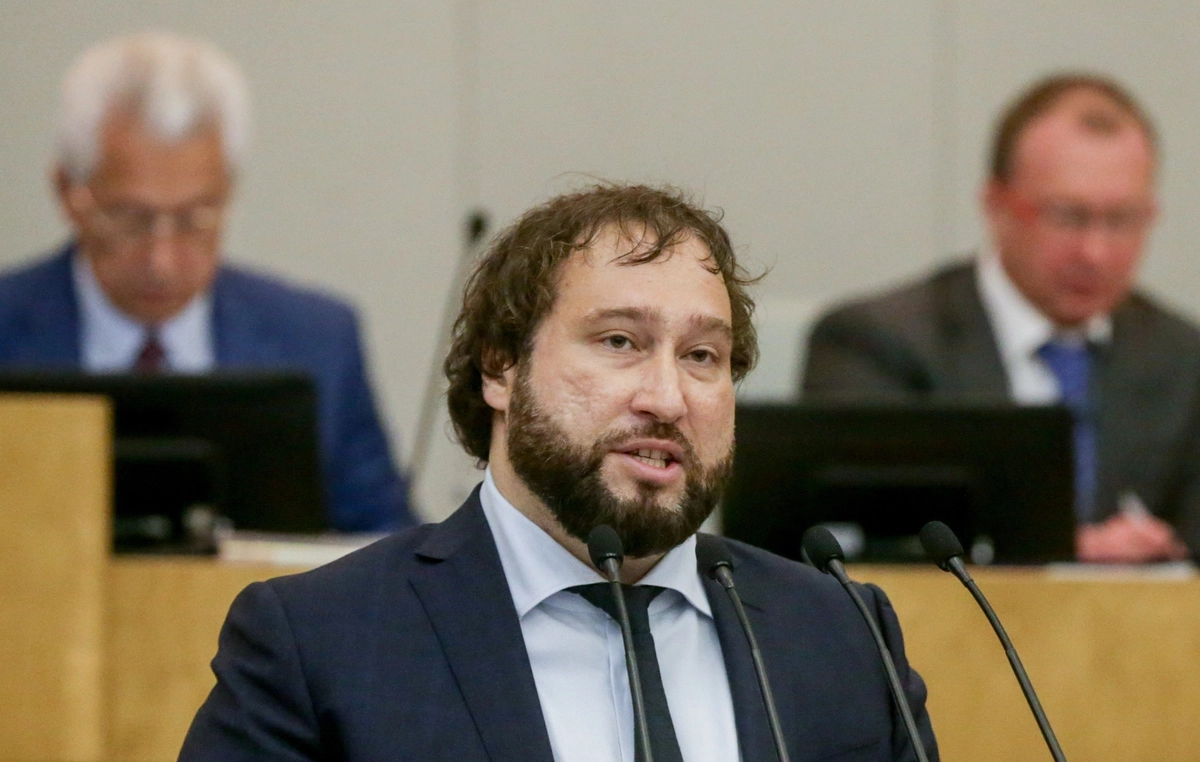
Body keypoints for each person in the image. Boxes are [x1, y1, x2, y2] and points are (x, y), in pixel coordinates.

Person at [179, 184, 938, 760]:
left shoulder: (840, 635)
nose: (667, 397)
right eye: (619, 342)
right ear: (500, 368)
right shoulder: (323, 643)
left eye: (702, 356)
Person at [0, 32, 412, 532]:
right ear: (68, 192)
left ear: (229, 191)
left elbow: (388, 542)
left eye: (195, 218)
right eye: (130, 218)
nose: (162, 261)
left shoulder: (317, 341)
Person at [803, 73, 1200, 563]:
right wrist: (1056, 550)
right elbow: (860, 543)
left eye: (1122, 220)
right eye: (1068, 216)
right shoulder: (877, 345)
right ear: (996, 205)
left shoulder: (1184, 359)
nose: (1094, 252)